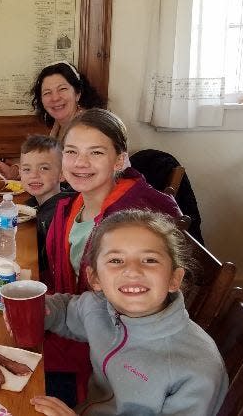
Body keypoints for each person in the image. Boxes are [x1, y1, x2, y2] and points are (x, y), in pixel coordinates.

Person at [43, 108, 181, 406]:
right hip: (78, 320)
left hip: (116, 354)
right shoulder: (72, 206)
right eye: (71, 151)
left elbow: (135, 315)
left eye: (95, 152)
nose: (80, 163)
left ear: (119, 160)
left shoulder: (135, 220)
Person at [28, 209, 228, 415]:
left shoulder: (197, 371)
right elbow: (66, 310)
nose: (132, 271)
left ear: (173, 279)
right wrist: (39, 310)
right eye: (116, 260)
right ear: (94, 278)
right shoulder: (100, 307)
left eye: (150, 260)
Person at [0, 61, 105, 180]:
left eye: (62, 89)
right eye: (47, 93)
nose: (55, 98)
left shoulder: (88, 128)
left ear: (77, 93)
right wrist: (13, 172)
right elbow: (45, 161)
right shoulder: (58, 125)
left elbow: (75, 175)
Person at [19, 134, 74, 278]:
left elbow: (47, 265)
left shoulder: (57, 214)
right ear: (20, 173)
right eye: (27, 169)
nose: (34, 175)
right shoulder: (34, 203)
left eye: (44, 168)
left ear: (62, 174)